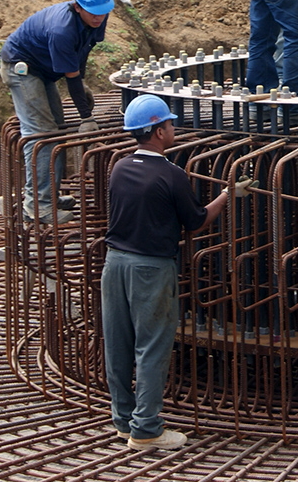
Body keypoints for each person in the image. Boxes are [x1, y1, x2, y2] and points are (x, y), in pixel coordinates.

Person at [102, 94, 255, 450]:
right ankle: (147, 429)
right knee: (152, 347)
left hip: (115, 265)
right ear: (157, 132)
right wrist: (229, 195)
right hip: (150, 269)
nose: (174, 130)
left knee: (119, 345)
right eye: (169, 125)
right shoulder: (171, 175)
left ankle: (124, 421)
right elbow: (196, 221)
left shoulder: (120, 167)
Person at [0, 0, 114, 224]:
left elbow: (82, 53)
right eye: (92, 11)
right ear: (77, 5)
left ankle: (48, 195)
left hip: (44, 71)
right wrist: (85, 115)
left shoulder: (98, 17)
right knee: (41, 134)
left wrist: (81, 85)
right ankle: (37, 205)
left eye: (102, 11)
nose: (98, 17)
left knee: (57, 132)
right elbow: (70, 75)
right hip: (23, 69)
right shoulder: (61, 29)